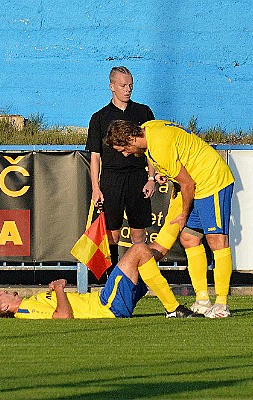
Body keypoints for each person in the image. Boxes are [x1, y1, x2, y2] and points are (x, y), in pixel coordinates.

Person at [106, 119, 235, 318]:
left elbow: (187, 184)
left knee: (217, 240)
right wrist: (161, 172)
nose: (124, 154)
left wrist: (184, 213)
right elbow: (164, 154)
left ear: (131, 139)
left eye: (123, 149)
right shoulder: (149, 128)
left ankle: (221, 303)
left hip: (211, 181)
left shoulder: (159, 148)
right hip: (197, 184)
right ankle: (202, 299)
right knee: (189, 238)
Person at [0, 243, 202, 319]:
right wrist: (58, 289)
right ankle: (173, 308)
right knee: (138, 250)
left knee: (154, 251)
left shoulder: (30, 303)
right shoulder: (25, 312)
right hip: (106, 305)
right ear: (5, 306)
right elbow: (63, 316)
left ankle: (182, 215)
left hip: (109, 304)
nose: (3, 291)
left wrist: (55, 291)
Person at [86, 66, 156, 270]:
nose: (127, 89)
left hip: (137, 177)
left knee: (138, 234)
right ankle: (112, 277)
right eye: (123, 85)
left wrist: (151, 178)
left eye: (130, 85)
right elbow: (95, 156)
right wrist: (96, 188)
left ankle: (140, 276)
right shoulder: (99, 117)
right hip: (111, 179)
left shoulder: (143, 112)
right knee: (112, 233)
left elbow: (151, 148)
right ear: (112, 87)